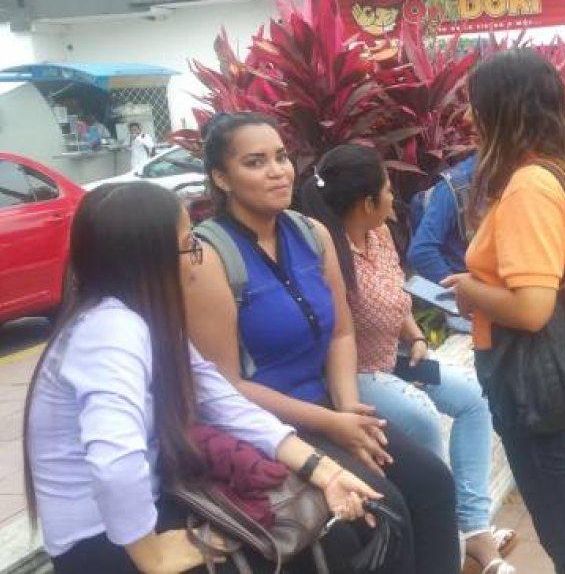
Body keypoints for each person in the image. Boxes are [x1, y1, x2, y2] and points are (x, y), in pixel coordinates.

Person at [25, 182, 388, 574]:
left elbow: (225, 401)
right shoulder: (110, 332)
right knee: (314, 548)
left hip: (137, 514)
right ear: (150, 260)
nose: (195, 259)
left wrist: (324, 470)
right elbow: (115, 461)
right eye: (187, 245)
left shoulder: (143, 321)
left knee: (332, 530)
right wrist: (154, 556)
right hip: (102, 547)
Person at [185, 113, 461, 574]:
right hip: (267, 428)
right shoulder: (209, 257)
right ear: (221, 177)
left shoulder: (312, 236)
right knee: (383, 508)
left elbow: (341, 330)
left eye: (280, 158)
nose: (277, 171)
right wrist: (332, 424)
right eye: (255, 162)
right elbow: (225, 385)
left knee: (432, 482)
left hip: (331, 407)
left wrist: (349, 411)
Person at [299, 144, 517, 574]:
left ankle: (474, 531)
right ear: (366, 202)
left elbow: (393, 297)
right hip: (353, 376)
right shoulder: (326, 253)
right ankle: (446, 547)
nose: (392, 197)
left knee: (474, 400)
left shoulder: (378, 235)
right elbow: (333, 333)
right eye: (385, 188)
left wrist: (416, 335)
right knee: (419, 417)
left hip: (393, 360)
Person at [440, 49, 565, 572]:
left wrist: (471, 290)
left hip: (535, 382)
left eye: (476, 105)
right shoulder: (557, 172)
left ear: (504, 110)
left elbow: (533, 308)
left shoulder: (528, 188)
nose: (469, 117)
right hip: (564, 374)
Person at [407, 153, 477, 284]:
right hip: (460, 281)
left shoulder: (515, 179)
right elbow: (422, 252)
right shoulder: (454, 186)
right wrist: (459, 292)